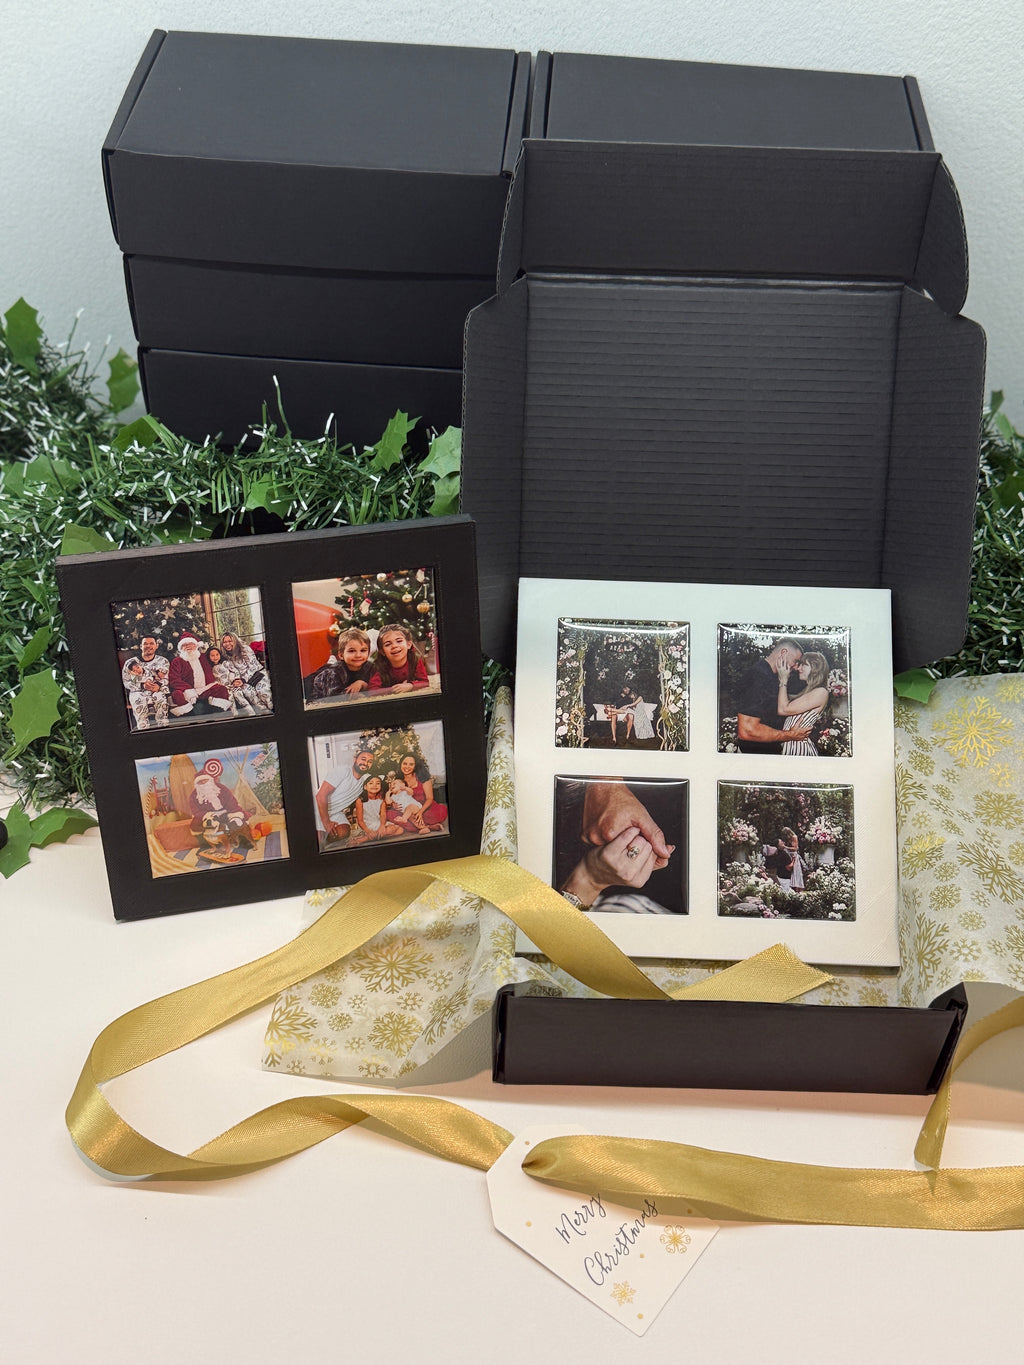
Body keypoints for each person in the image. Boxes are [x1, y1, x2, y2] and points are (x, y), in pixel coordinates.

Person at [734, 638, 812, 754]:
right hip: (755, 756)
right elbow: (747, 730)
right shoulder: (759, 676)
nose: (796, 667)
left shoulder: (772, 676)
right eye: (796, 661)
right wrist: (790, 735)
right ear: (783, 653)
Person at [188, 765, 254, 860]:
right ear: (197, 784)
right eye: (200, 782)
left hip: (225, 813)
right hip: (208, 816)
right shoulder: (194, 796)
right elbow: (195, 810)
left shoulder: (222, 789)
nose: (203, 783)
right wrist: (207, 815)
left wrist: (234, 813)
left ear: (210, 780)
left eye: (205, 780)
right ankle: (205, 845)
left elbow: (231, 802)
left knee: (238, 820)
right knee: (195, 826)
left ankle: (244, 841)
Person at [315, 748, 375, 846]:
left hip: (335, 812)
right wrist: (326, 823)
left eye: (370, 762)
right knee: (319, 839)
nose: (365, 763)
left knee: (344, 832)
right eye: (363, 759)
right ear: (355, 759)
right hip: (318, 808)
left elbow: (383, 784)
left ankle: (324, 840)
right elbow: (320, 796)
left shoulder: (366, 780)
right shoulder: (342, 770)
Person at [775, 652, 831, 756]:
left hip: (799, 748)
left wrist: (783, 680)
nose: (798, 668)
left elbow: (783, 709)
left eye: (804, 665)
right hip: (792, 745)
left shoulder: (821, 692)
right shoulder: (809, 691)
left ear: (815, 668)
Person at [168, 633, 233, 717]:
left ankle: (217, 714)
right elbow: (174, 680)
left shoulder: (203, 657)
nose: (188, 647)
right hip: (187, 691)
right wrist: (188, 689)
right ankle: (192, 714)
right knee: (177, 695)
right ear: (181, 648)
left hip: (205, 689)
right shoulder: (177, 661)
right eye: (185, 645)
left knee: (221, 689)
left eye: (190, 644)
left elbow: (216, 660)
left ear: (195, 645)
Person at [308, 628, 374, 702]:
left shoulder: (370, 667)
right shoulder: (334, 673)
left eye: (363, 650)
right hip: (310, 686)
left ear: (368, 653)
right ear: (341, 655)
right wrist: (357, 696)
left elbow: (377, 685)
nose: (358, 655)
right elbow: (333, 697)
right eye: (352, 651)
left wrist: (362, 683)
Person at [122, 635, 170, 730]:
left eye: (151, 643)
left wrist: (158, 686)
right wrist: (142, 685)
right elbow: (126, 681)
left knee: (160, 697)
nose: (148, 646)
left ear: (156, 646)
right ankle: (143, 727)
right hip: (138, 691)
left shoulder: (163, 661)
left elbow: (165, 679)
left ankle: (163, 726)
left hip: (157, 689)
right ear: (141, 646)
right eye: (145, 644)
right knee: (138, 699)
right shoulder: (130, 663)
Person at [368, 622, 429, 693]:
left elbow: (425, 682)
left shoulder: (415, 660)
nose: (394, 646)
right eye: (388, 644)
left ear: (408, 644)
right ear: (382, 651)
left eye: (399, 641)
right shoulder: (378, 666)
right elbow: (372, 690)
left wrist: (410, 686)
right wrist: (393, 689)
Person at [219, 631, 272, 711]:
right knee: (247, 692)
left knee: (262, 692)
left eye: (230, 641)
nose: (227, 644)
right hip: (244, 681)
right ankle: (265, 712)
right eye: (225, 642)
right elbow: (233, 671)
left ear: (235, 641)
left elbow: (253, 668)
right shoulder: (226, 656)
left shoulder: (244, 649)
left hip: (258, 675)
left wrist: (242, 680)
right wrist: (236, 680)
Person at [396, 752, 447, 829]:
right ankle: (428, 827)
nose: (407, 767)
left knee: (438, 813)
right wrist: (394, 805)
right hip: (407, 810)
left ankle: (418, 826)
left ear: (415, 766)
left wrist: (420, 812)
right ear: (401, 764)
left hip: (425, 808)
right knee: (391, 814)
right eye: (405, 763)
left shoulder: (424, 778)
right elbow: (394, 796)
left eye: (411, 764)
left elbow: (429, 798)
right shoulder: (398, 780)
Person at [349, 775, 403, 843]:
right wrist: (368, 831)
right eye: (371, 783)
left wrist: (382, 826)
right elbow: (360, 821)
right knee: (391, 829)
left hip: (378, 822)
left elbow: (383, 814)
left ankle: (369, 837)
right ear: (365, 787)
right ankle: (365, 838)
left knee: (401, 830)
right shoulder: (360, 800)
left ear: (380, 786)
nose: (374, 785)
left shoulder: (381, 799)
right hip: (366, 825)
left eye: (378, 783)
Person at [206, 645, 257, 716]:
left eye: (217, 654)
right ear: (209, 657)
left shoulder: (226, 663)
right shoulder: (209, 668)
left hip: (233, 685)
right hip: (223, 688)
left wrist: (235, 680)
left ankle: (251, 713)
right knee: (230, 699)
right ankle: (235, 715)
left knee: (240, 697)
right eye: (212, 655)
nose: (215, 657)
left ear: (220, 655)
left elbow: (235, 671)